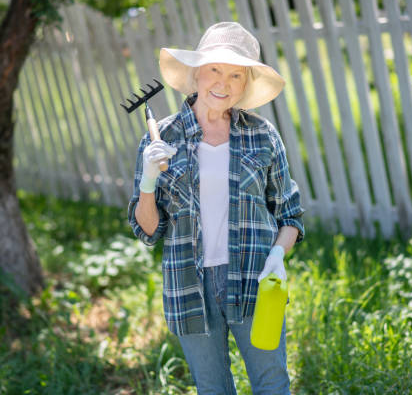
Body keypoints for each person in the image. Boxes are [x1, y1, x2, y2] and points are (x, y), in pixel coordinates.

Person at [127, 22, 305, 394]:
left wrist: (277, 255)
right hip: (189, 285)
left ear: (245, 85)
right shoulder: (162, 136)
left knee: (272, 383)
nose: (223, 83)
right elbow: (147, 230)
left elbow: (289, 215)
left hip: (256, 279)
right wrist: (147, 181)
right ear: (196, 73)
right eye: (215, 70)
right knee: (212, 389)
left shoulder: (262, 135)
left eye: (235, 74)